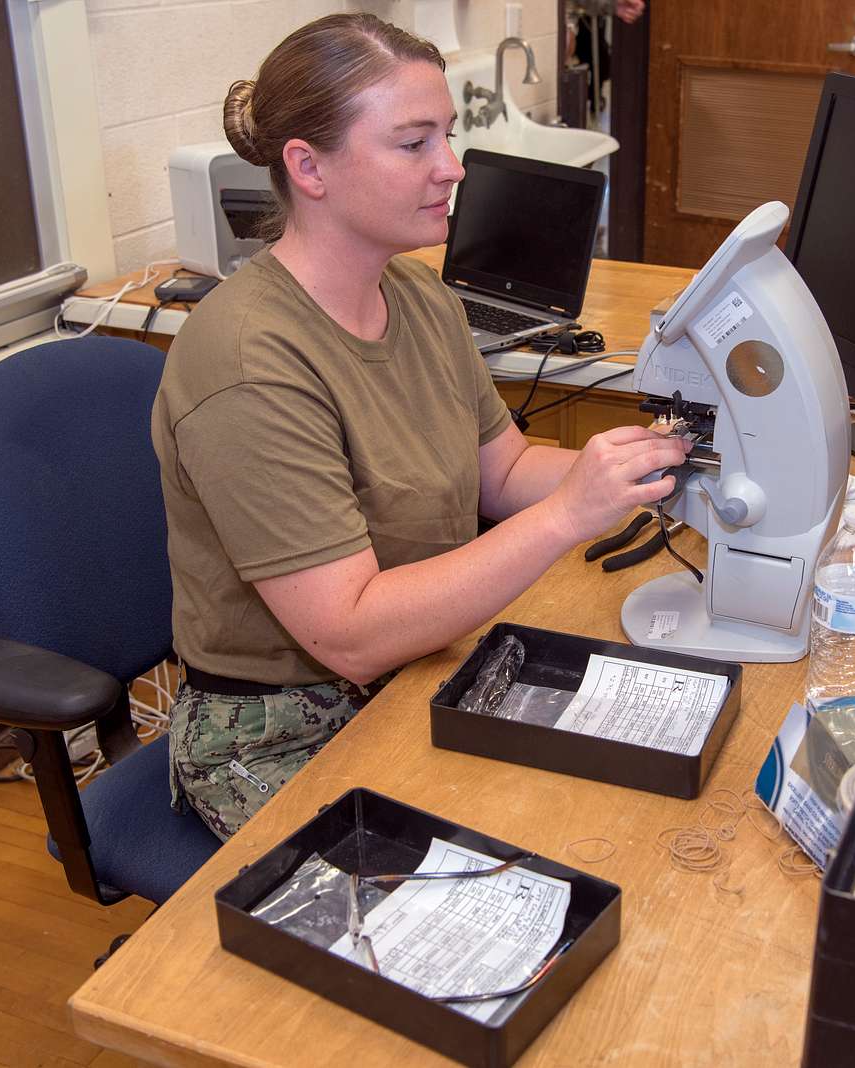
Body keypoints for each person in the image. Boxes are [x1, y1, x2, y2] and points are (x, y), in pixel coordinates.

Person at [150, 13, 688, 840]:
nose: (453, 168)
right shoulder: (247, 363)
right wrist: (569, 516)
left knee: (623, 805)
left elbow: (502, 473)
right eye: (414, 144)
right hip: (284, 731)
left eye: (449, 136)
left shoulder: (420, 298)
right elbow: (352, 634)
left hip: (422, 665)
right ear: (309, 166)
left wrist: (647, 469)